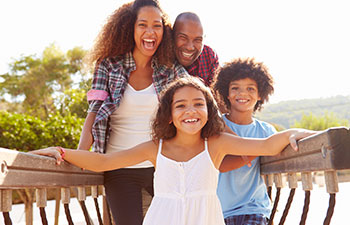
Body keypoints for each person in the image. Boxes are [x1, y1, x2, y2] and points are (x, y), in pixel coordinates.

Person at [31, 76, 317, 225]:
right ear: (168, 115)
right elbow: (105, 161)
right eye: (181, 105)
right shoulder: (156, 148)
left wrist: (294, 133)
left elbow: (266, 145)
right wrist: (61, 151)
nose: (190, 111)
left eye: (198, 104)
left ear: (209, 111)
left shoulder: (216, 143)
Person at [78, 0, 187, 224]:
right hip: (118, 167)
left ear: (163, 31)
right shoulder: (108, 65)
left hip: (162, 166)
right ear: (130, 28)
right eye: (142, 25)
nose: (150, 32)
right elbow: (94, 109)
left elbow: (200, 98)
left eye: (157, 26)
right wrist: (82, 150)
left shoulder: (170, 69)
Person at [212, 58, 276, 225]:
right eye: (235, 88)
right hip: (217, 211)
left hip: (254, 209)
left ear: (260, 94)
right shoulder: (215, 127)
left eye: (250, 88)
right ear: (226, 92)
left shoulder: (266, 131)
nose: (242, 94)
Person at [173, 12, 219, 86]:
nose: (190, 47)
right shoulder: (159, 59)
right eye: (183, 38)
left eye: (197, 40)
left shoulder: (209, 56)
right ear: (171, 36)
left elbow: (215, 93)